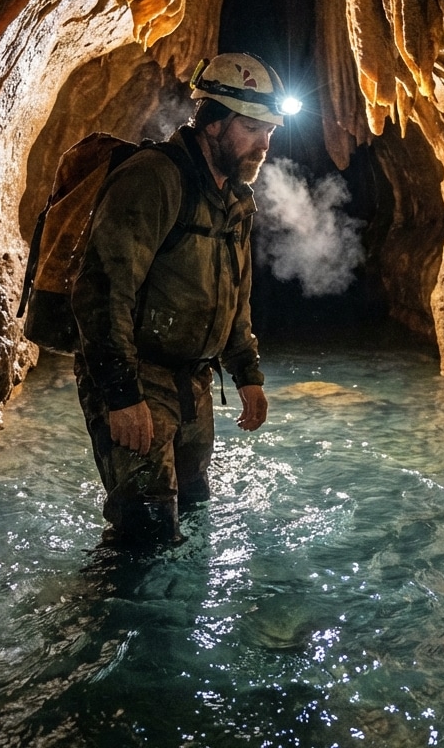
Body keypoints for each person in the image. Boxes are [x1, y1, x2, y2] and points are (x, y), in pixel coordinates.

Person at [71, 52, 295, 545]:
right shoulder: (152, 178)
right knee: (146, 534)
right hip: (140, 377)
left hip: (192, 381)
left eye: (271, 131)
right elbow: (103, 289)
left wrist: (247, 374)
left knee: (192, 513)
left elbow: (236, 293)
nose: (265, 143)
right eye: (253, 127)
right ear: (213, 123)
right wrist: (122, 395)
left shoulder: (236, 197)